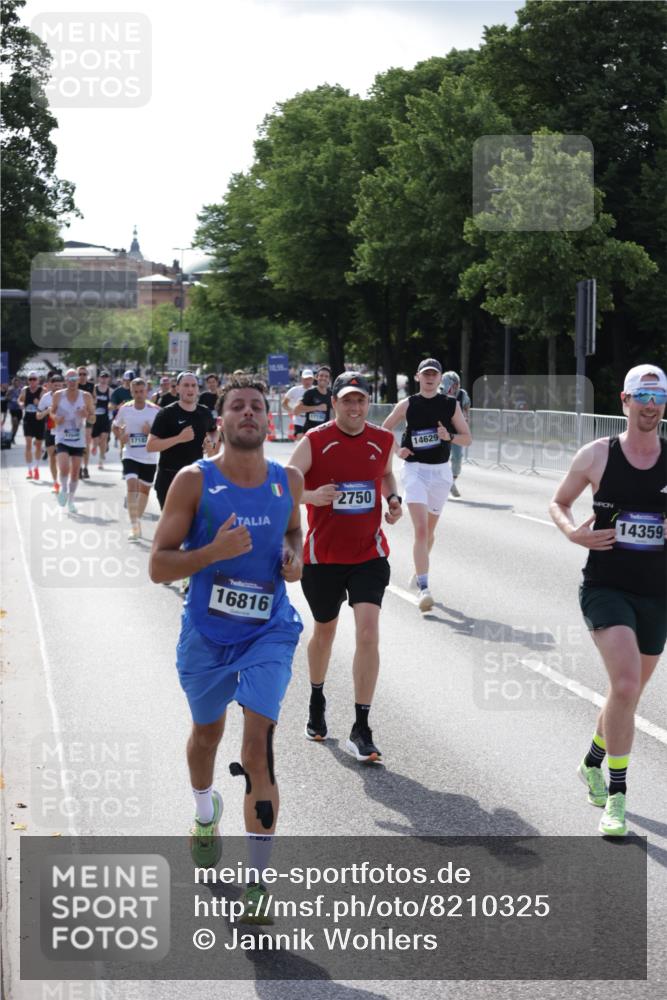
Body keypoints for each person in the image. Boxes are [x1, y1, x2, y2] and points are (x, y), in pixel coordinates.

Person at [149, 374, 303, 922]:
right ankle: (203, 810)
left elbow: (293, 536)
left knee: (257, 747)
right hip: (207, 635)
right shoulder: (194, 481)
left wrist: (293, 561)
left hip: (269, 632)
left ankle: (259, 882)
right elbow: (158, 565)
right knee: (206, 735)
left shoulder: (287, 480)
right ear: (222, 419)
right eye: (236, 405)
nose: (247, 413)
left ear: (268, 419)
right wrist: (212, 552)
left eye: (256, 407)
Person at [549, 364, 667, 838]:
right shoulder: (598, 455)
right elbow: (558, 502)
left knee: (629, 693)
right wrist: (573, 533)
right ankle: (616, 798)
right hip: (606, 588)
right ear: (625, 401)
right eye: (642, 396)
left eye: (657, 397)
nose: (651, 405)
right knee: (623, 684)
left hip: (657, 593)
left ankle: (592, 762)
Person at [288, 371, 402, 762]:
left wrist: (394, 499)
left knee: (368, 633)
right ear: (333, 403)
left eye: (361, 400)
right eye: (347, 400)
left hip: (369, 554)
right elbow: (284, 487)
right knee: (324, 632)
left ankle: (361, 726)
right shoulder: (315, 441)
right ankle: (317, 698)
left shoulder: (382, 439)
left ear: (368, 404)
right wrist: (312, 495)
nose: (355, 407)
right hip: (324, 558)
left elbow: (385, 473)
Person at [382, 358, 471, 612]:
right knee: (420, 531)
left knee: (429, 533)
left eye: (435, 374)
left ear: (440, 378)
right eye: (426, 374)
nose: (430, 378)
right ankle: (424, 588)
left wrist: (449, 436)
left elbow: (467, 439)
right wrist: (398, 450)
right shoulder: (408, 404)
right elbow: (384, 429)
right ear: (418, 377)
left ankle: (418, 568)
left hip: (441, 473)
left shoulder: (450, 405)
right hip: (415, 471)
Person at [146, 371, 218, 510]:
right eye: (186, 385)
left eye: (193, 385)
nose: (190, 389)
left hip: (195, 477)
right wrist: (179, 438)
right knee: (172, 528)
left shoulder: (204, 413)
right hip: (169, 477)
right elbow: (151, 445)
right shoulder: (166, 413)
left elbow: (214, 431)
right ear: (178, 388)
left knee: (193, 525)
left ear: (198, 389)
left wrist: (211, 442)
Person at [113, 378, 160, 540]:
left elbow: (164, 433)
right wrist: (120, 435)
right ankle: (134, 526)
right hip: (130, 454)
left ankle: (137, 520)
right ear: (131, 392)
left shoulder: (155, 410)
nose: (139, 395)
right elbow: (115, 425)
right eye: (136, 392)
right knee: (131, 484)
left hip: (149, 457)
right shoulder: (125, 409)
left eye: (142, 391)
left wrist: (151, 432)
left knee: (144, 491)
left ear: (146, 391)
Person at [50, 369, 95, 512]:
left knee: (75, 473)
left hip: (78, 438)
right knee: (64, 468)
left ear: (78, 381)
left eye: (74, 379)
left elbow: (93, 418)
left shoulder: (86, 396)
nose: (72, 381)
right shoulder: (58, 395)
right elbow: (52, 411)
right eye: (69, 379)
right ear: (65, 380)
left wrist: (86, 414)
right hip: (62, 437)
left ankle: (71, 501)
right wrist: (55, 417)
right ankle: (63, 488)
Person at [440, 371, 471, 497]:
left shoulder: (463, 395)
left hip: (456, 433)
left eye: (457, 384)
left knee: (457, 459)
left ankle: (451, 482)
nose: (455, 387)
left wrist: (466, 420)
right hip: (442, 431)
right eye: (453, 384)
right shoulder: (439, 393)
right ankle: (440, 484)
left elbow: (467, 409)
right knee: (441, 459)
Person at [36, 372, 62, 491]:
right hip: (51, 430)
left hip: (64, 431)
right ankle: (55, 482)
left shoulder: (67, 396)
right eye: (55, 385)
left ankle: (63, 480)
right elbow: (38, 416)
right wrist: (47, 411)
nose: (57, 388)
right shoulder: (46, 398)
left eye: (59, 385)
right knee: (52, 457)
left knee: (63, 457)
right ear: (50, 385)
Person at [18, 372, 44, 479]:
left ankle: (36, 468)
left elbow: (46, 405)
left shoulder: (42, 391)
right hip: (28, 420)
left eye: (34, 379)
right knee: (28, 444)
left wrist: (39, 403)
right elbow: (19, 399)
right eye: (30, 379)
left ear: (38, 380)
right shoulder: (25, 390)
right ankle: (29, 470)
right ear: (28, 380)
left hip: (39, 420)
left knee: (38, 445)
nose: (32, 381)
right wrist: (20, 404)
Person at [294, 365, 332, 434]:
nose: (323, 378)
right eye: (321, 375)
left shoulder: (331, 394)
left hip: (325, 433)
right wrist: (317, 408)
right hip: (310, 433)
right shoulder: (310, 393)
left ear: (329, 379)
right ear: (316, 377)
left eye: (326, 376)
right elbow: (296, 411)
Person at [282, 369, 314, 441]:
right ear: (301, 379)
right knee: (301, 439)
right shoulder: (295, 390)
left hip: (312, 420)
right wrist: (292, 411)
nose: (307, 381)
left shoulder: (316, 390)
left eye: (309, 379)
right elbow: (284, 403)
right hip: (299, 419)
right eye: (305, 379)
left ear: (313, 379)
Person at [76, 366, 95, 479]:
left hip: (87, 416)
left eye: (84, 374)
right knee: (77, 441)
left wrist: (89, 404)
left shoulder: (91, 386)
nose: (82, 376)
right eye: (80, 374)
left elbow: (95, 399)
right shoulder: (74, 385)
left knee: (87, 440)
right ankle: (77, 467)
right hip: (75, 418)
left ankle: (85, 467)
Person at [91, 371, 112, 470]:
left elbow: (113, 403)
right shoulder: (94, 389)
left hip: (105, 417)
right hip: (95, 417)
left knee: (103, 438)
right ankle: (95, 446)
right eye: (102, 377)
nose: (104, 379)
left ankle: (100, 460)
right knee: (95, 440)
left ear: (108, 379)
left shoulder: (110, 391)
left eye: (106, 377)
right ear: (99, 378)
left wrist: (111, 407)